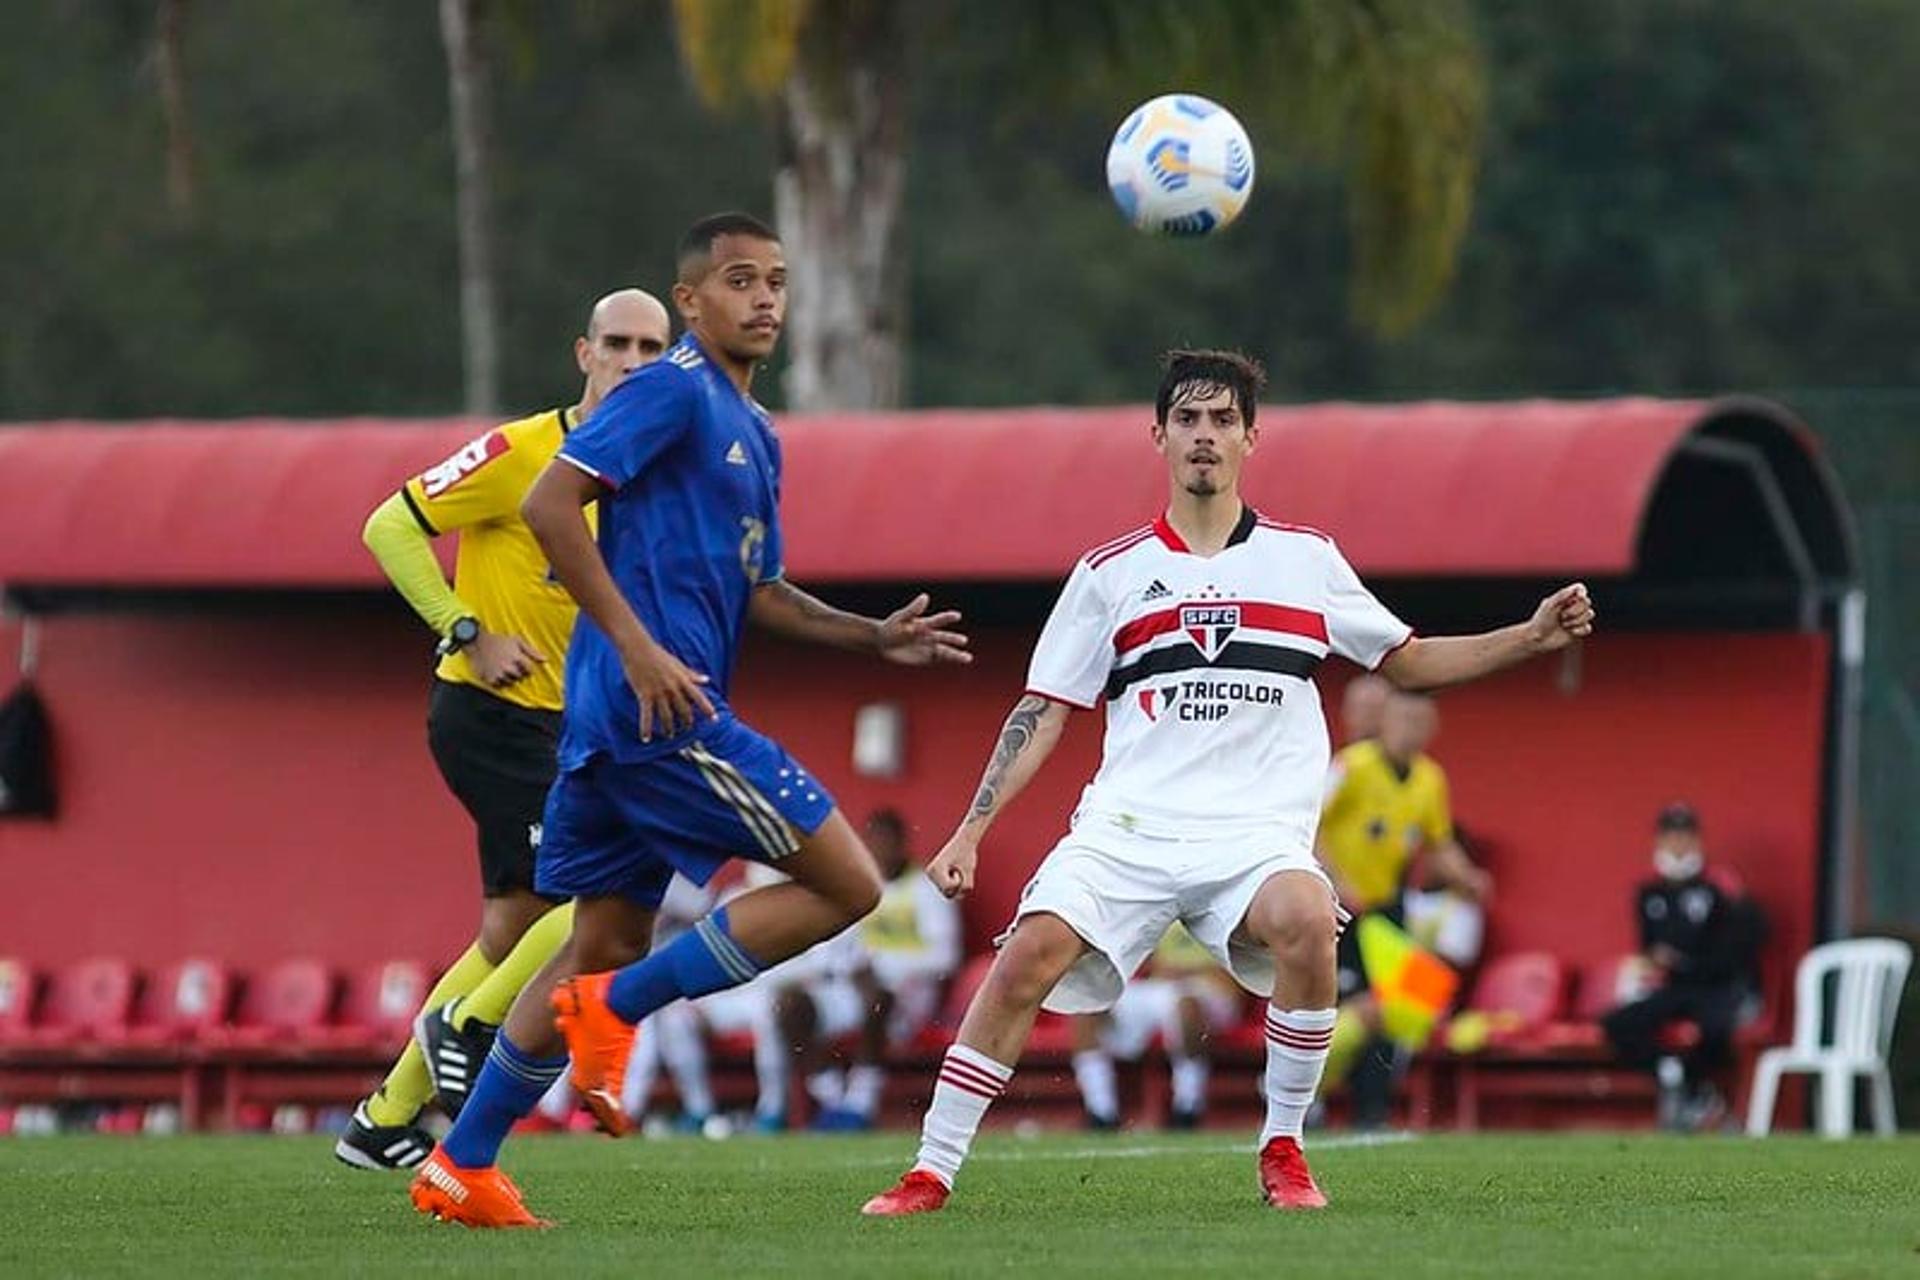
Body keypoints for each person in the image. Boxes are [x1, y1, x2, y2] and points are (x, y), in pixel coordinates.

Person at [861, 348, 1594, 1216]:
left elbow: (1407, 664)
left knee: (1309, 919)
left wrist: (1529, 638)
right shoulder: (1110, 573)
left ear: (1251, 437)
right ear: (1159, 436)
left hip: (1254, 836)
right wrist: (969, 830)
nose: (1204, 436)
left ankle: (1283, 1147)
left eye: (1221, 421)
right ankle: (930, 1171)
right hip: (1128, 830)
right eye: (1187, 420)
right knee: (1024, 961)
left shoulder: (1307, 560)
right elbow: (1044, 709)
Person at [408, 212, 971, 1228]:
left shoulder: (753, 432)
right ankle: (616, 1013)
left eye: (779, 282)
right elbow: (548, 501)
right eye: (742, 280)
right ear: (692, 300)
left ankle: (464, 1158)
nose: (765, 299)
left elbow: (765, 591)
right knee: (846, 879)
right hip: (658, 710)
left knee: (600, 939)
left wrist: (871, 637)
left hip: (618, 719)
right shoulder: (668, 387)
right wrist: (634, 643)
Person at [334, 289, 671, 1171]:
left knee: (510, 928)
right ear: (584, 353)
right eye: (618, 344)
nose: (634, 361)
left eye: (652, 347)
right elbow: (390, 525)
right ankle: (467, 1024)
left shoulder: (649, 472)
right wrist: (465, 629)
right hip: (491, 712)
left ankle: (385, 1119)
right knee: (587, 897)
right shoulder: (522, 453)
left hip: (571, 727)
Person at [1316, 690, 1489, 1127]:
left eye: (1421, 720)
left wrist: (1467, 875)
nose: (1411, 728)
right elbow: (1307, 824)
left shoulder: (1430, 778)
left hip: (1388, 909)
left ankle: (1372, 1112)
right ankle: (1302, 1098)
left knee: (1401, 1007)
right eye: (1404, 718)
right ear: (1386, 719)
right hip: (1338, 908)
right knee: (1353, 1011)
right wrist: (1338, 879)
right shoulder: (1349, 766)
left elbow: (1440, 841)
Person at [776, 808, 963, 1130]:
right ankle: (833, 1098)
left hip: (908, 992)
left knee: (878, 997)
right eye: (873, 841)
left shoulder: (925, 888)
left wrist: (880, 964)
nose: (879, 850)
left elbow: (946, 956)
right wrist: (843, 966)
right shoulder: (857, 888)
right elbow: (832, 948)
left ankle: (862, 1100)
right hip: (854, 988)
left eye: (886, 842)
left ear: (902, 843)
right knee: (790, 1004)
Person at [1601, 803, 1763, 1131]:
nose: (1678, 844)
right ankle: (1676, 1076)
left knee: (1717, 1029)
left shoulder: (1719, 888)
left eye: (1684, 836)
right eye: (1671, 837)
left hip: (1716, 984)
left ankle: (1699, 1094)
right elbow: (1650, 945)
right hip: (1676, 986)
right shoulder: (1650, 894)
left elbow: (1745, 939)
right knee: (1618, 1023)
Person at [1070, 921, 1243, 1130]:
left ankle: (1187, 1108)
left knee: (1186, 1004)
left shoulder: (1226, 912)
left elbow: (1238, 970)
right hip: (1161, 986)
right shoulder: (1164, 908)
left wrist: (1187, 972)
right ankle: (1101, 1112)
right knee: (1091, 1004)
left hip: (1210, 989)